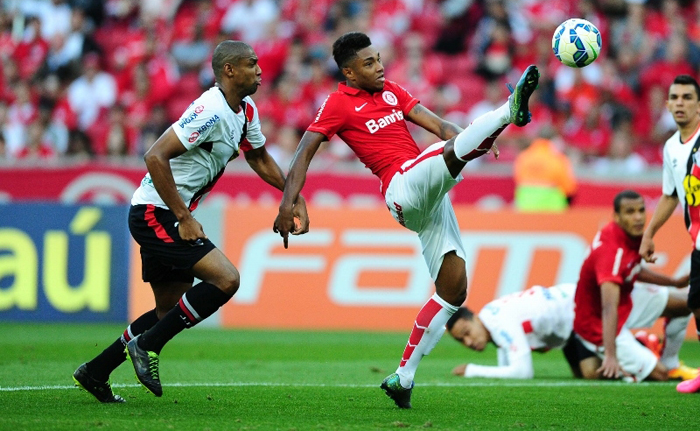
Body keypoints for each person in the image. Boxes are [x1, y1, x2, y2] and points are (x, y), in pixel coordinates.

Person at [273, 31, 540, 408]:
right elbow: (304, 151)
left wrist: (475, 138)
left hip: (429, 197)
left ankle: (404, 376)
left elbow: (442, 127)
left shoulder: (391, 90)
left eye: (379, 58)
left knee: (453, 292)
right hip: (401, 188)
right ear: (349, 73)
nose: (379, 66)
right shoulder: (337, 103)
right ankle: (507, 110)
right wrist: (288, 202)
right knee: (444, 154)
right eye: (369, 63)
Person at [72, 40, 308, 402]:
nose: (260, 70)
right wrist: (183, 216)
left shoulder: (245, 111)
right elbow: (155, 156)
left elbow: (259, 158)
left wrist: (293, 197)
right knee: (227, 279)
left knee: (169, 309)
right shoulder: (209, 110)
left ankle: (96, 371)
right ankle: (147, 346)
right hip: (156, 212)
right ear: (230, 70)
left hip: (165, 212)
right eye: (252, 64)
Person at [446, 281, 696, 380]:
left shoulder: (498, 322)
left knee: (659, 373)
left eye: (467, 331)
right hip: (570, 328)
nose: (468, 341)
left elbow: (522, 371)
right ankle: (639, 346)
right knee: (589, 374)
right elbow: (510, 361)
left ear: (475, 317)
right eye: (462, 341)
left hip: (586, 308)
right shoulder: (493, 320)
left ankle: (646, 346)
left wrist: (472, 370)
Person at [570, 190, 689, 382]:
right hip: (598, 323)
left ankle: (671, 362)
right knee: (660, 376)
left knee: (688, 302)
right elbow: (608, 308)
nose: (638, 217)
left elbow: (632, 270)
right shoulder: (612, 252)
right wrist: (611, 355)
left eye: (641, 210)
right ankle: (641, 345)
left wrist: (674, 282)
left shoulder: (626, 235)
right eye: (630, 212)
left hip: (624, 302)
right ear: (616, 216)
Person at [640, 74, 700, 393]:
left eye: (687, 98)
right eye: (674, 98)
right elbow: (670, 195)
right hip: (698, 239)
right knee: (697, 302)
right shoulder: (671, 148)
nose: (680, 103)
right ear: (667, 104)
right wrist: (650, 233)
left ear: (699, 105)